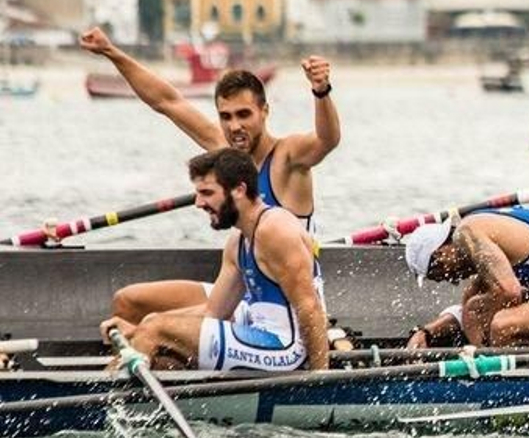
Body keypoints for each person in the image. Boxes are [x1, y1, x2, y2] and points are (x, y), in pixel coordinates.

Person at [79, 27, 341, 325]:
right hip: (240, 296)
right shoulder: (225, 151)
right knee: (128, 302)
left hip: (283, 309)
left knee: (153, 328)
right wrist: (110, 51)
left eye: (244, 115)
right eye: (225, 116)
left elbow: (327, 140)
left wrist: (321, 91)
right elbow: (167, 101)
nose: (234, 127)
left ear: (264, 111)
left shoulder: (288, 158)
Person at [103, 148, 329, 371]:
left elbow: (310, 308)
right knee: (157, 344)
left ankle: (111, 391)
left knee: (156, 329)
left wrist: (319, 379)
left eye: (207, 193)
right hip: (259, 329)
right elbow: (213, 313)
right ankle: (121, 384)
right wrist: (138, 328)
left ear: (239, 190)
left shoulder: (275, 230)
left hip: (288, 348)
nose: (198, 203)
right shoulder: (237, 242)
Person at [402, 206, 529, 347]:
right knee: (477, 305)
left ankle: (495, 383)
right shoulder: (492, 223)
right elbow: (469, 308)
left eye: (441, 274)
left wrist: (473, 318)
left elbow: (509, 293)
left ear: (440, 254)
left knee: (502, 325)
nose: (453, 280)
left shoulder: (467, 232)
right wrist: (426, 332)